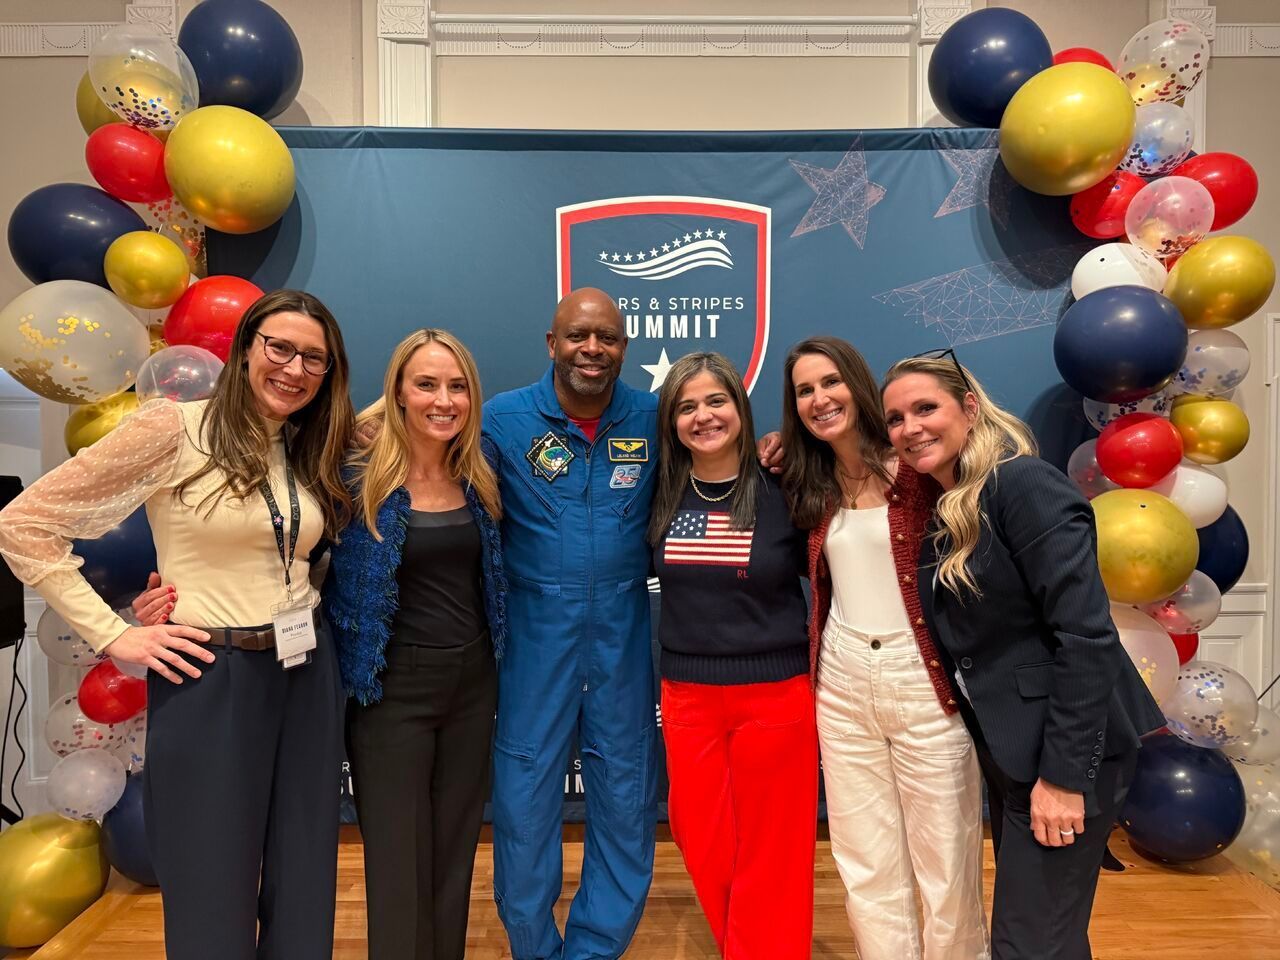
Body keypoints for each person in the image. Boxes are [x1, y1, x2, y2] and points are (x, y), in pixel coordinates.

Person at [0, 290, 355, 960]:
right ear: (245, 348)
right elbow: (24, 524)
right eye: (280, 348)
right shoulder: (174, 427)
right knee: (208, 876)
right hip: (209, 674)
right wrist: (115, 633)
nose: (294, 368)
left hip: (305, 668)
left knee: (305, 868)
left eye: (314, 358)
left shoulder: (303, 444)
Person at [881, 352, 1166, 960]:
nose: (910, 428)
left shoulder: (1022, 483)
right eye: (896, 419)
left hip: (1068, 754)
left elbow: (1085, 635)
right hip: (1016, 753)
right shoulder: (948, 505)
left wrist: (1063, 779)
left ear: (970, 408)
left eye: (926, 408)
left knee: (1027, 943)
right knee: (1049, 936)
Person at [781, 336, 988, 960]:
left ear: (858, 384)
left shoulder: (921, 466)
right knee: (865, 860)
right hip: (841, 678)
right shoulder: (808, 481)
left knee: (946, 862)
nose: (820, 399)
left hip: (923, 675)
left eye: (831, 382)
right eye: (805, 391)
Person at [485, 287, 660, 960]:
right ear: (552, 343)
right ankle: (534, 948)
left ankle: (595, 949)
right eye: (579, 335)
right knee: (525, 797)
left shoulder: (654, 416)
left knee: (624, 793)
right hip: (537, 630)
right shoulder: (503, 420)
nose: (593, 348)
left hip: (622, 626)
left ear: (624, 347)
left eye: (607, 337)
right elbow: (432, 465)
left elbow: (719, 466)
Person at [323, 329, 507, 960]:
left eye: (457, 387)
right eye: (425, 384)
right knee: (397, 862)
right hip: (389, 693)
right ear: (398, 391)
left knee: (455, 854)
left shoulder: (480, 472)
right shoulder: (353, 475)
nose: (443, 400)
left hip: (473, 686)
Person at [649, 352, 816, 959]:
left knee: (774, 852)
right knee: (703, 841)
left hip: (775, 695)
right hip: (688, 696)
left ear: (740, 409)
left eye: (716, 401)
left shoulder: (786, 486)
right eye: (687, 407)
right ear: (671, 422)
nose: (703, 416)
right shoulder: (657, 492)